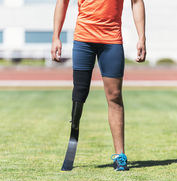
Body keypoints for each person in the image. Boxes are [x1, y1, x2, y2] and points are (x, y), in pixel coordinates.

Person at [51, 0, 146, 171]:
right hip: (83, 40)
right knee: (79, 94)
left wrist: (142, 37)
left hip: (112, 41)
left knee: (115, 95)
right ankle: (73, 138)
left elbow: (137, 2)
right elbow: (62, 2)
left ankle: (120, 156)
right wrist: (55, 36)